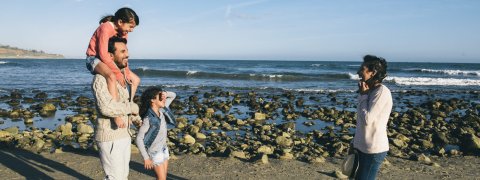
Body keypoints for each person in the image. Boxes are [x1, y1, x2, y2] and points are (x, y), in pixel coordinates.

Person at [92, 36, 141, 180]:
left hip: (124, 134)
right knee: (115, 178)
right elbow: (106, 107)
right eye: (123, 51)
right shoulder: (101, 79)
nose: (127, 54)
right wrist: (131, 107)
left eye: (127, 51)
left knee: (122, 176)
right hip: (110, 136)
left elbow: (122, 105)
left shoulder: (119, 79)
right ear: (110, 56)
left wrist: (137, 119)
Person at [86, 7, 141, 103]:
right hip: (94, 58)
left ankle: (129, 103)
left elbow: (123, 55)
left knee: (135, 79)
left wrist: (126, 72)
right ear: (120, 22)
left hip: (110, 59)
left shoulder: (123, 32)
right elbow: (103, 54)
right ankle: (115, 109)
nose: (131, 30)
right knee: (111, 76)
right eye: (130, 26)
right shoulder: (105, 28)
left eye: (133, 28)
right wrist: (118, 73)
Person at [353, 55, 392, 180]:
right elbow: (360, 121)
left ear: (373, 72)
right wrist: (354, 143)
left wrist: (363, 95)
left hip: (373, 150)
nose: (358, 72)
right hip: (362, 148)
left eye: (362, 69)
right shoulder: (368, 90)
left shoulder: (381, 92)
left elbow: (367, 120)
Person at [136, 87, 176, 180]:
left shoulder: (161, 110)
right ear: (153, 100)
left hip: (163, 148)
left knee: (162, 178)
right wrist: (146, 158)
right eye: (160, 97)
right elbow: (138, 139)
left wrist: (164, 93)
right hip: (154, 152)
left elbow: (173, 95)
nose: (164, 99)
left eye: (163, 97)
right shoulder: (148, 119)